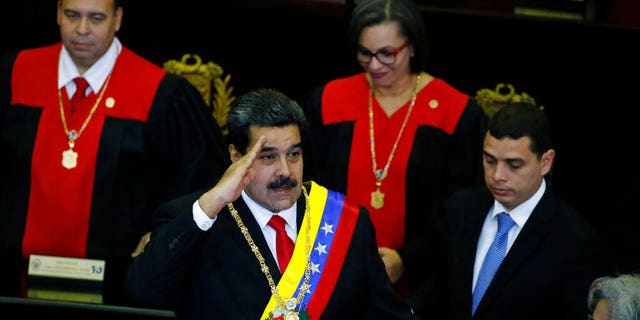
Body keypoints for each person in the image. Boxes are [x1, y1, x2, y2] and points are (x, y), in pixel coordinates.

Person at [0, 0, 228, 301]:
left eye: (96, 18)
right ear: (57, 13)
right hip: (11, 280)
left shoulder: (160, 93)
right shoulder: (14, 75)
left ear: (117, 18)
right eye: (72, 16)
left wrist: (163, 233)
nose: (82, 30)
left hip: (119, 286)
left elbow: (199, 182)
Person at [126, 88, 415, 319]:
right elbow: (142, 292)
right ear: (236, 157)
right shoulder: (199, 219)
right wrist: (211, 203)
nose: (286, 172)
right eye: (267, 157)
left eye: (294, 155)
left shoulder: (345, 222)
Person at [300, 0, 487, 294]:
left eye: (387, 54)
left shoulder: (455, 113)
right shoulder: (327, 103)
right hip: (332, 270)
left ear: (411, 47)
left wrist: (407, 259)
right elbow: (309, 183)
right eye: (365, 53)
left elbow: (460, 208)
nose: (374, 65)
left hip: (424, 283)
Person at [409, 102, 610, 319]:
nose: (497, 175)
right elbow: (442, 286)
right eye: (489, 160)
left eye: (513, 165)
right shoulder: (463, 208)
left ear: (545, 162)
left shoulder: (576, 241)